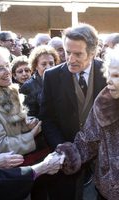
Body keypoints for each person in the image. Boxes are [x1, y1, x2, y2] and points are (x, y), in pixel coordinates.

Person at [39, 23, 107, 200]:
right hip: (67, 156)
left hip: (103, 155)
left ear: (92, 53)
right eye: (67, 52)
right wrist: (63, 150)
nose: (70, 59)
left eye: (78, 54)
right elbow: (47, 118)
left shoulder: (109, 73)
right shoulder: (52, 76)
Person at [55, 45, 119, 200]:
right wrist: (65, 157)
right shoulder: (104, 103)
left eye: (116, 75)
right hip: (108, 190)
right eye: (108, 74)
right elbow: (87, 140)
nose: (108, 81)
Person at [20, 45, 60, 117]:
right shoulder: (27, 87)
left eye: (51, 63)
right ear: (35, 65)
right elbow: (29, 115)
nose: (48, 67)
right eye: (43, 64)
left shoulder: (61, 81)